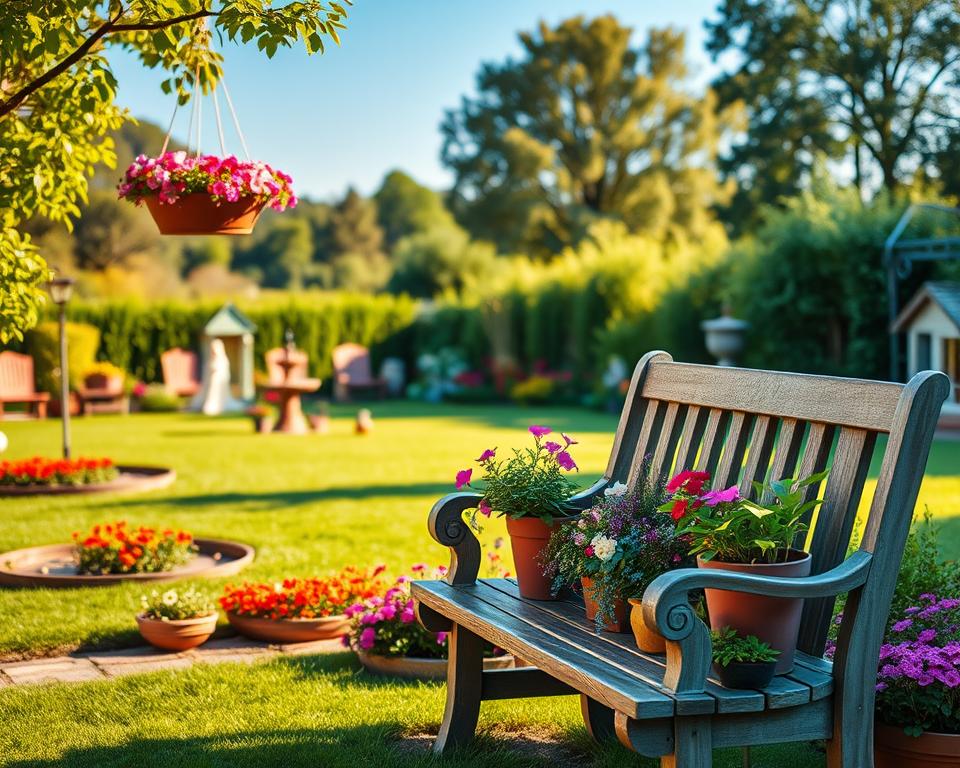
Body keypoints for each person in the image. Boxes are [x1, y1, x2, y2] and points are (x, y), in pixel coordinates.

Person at [192, 339, 244, 415]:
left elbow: (224, 374)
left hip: (219, 383)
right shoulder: (210, 361)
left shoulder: (223, 360)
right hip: (211, 383)